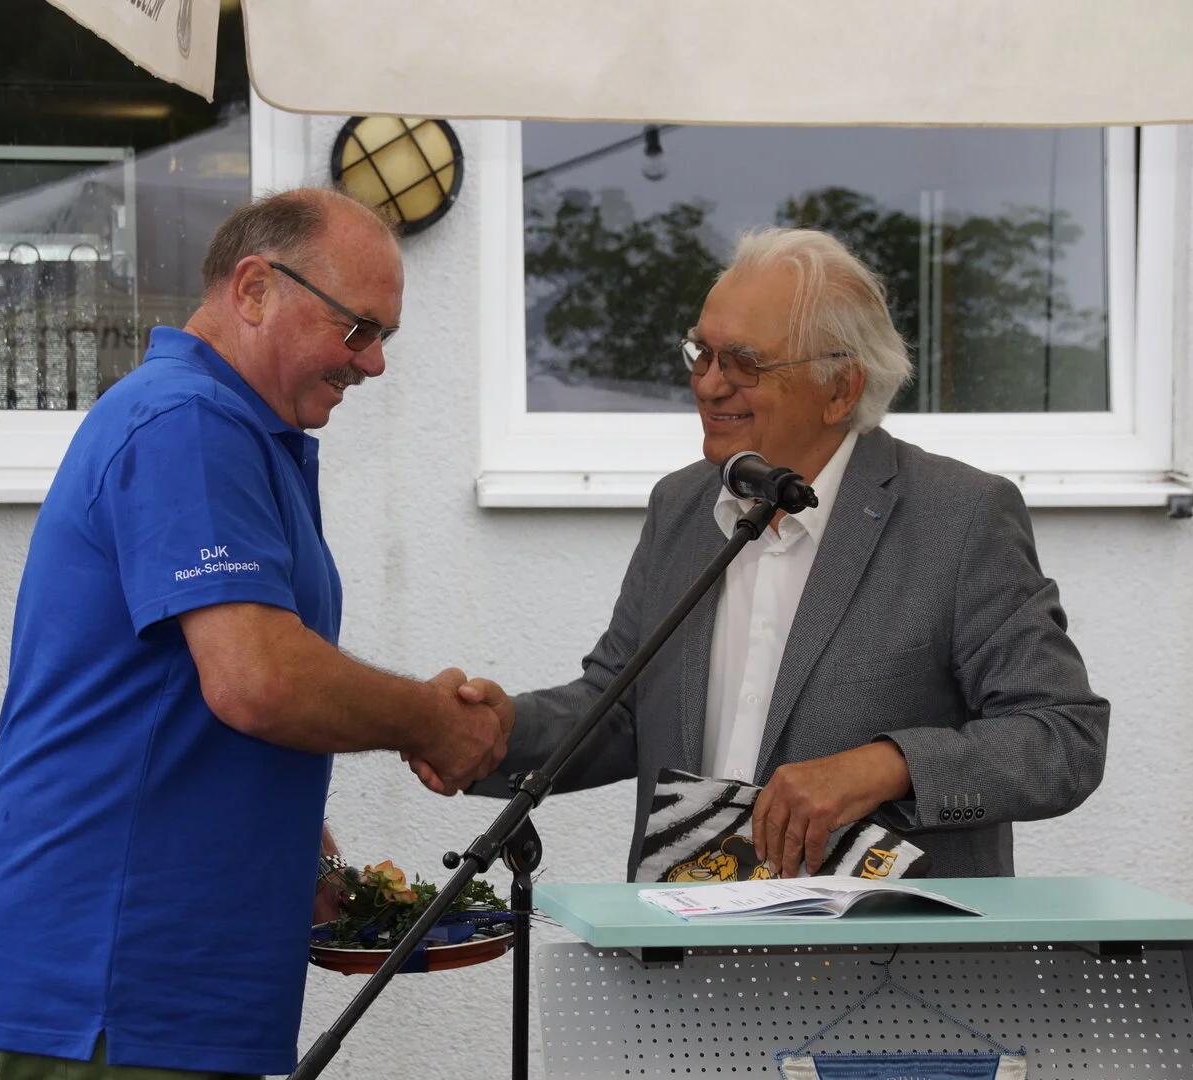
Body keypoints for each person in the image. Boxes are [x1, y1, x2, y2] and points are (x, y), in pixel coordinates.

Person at [0, 188, 509, 1080]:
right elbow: (256, 678)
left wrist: (299, 849)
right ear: (254, 289)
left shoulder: (226, 426)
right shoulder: (189, 424)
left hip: (144, 972)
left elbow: (176, 689)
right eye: (358, 328)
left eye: (385, 335)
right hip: (116, 973)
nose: (375, 362)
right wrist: (430, 720)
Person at [448, 226, 1108, 882]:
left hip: (882, 945)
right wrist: (498, 731)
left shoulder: (958, 516)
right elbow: (620, 708)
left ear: (840, 389)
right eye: (701, 354)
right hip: (687, 934)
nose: (709, 385)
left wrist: (885, 766)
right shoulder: (680, 506)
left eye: (743, 364)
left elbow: (1063, 737)